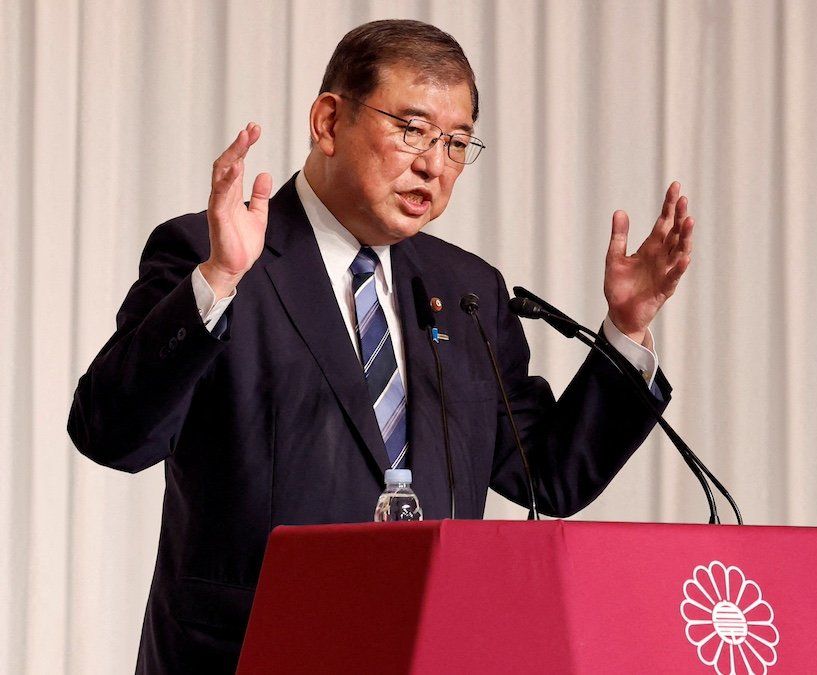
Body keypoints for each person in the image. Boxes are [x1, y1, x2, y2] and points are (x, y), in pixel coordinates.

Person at [67, 19, 694, 674]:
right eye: (412, 130)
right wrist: (220, 279)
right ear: (329, 121)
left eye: (456, 143)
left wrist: (627, 326)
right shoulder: (213, 255)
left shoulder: (466, 289)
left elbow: (549, 474)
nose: (433, 163)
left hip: (428, 653)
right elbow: (110, 434)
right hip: (250, 655)